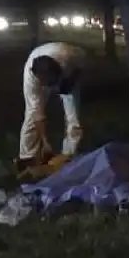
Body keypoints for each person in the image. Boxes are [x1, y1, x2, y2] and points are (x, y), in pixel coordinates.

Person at [17, 41, 90, 171]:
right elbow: (37, 113)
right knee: (31, 115)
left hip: (68, 75)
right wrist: (45, 142)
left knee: (73, 116)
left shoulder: (70, 57)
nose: (50, 88)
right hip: (41, 66)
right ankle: (27, 157)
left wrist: (69, 83)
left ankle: (69, 154)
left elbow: (82, 65)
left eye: (51, 83)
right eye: (46, 84)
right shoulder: (31, 79)